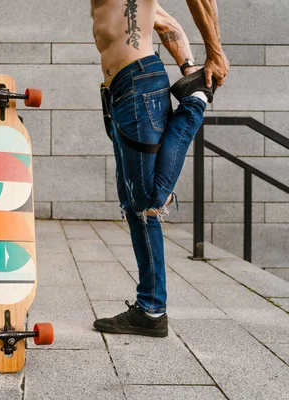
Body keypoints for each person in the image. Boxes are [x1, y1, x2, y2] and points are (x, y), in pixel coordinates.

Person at [91, 0, 230, 337]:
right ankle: (150, 309)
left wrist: (215, 54)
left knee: (147, 201)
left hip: (138, 84)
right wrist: (190, 68)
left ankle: (196, 103)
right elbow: (166, 24)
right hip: (120, 92)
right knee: (133, 205)